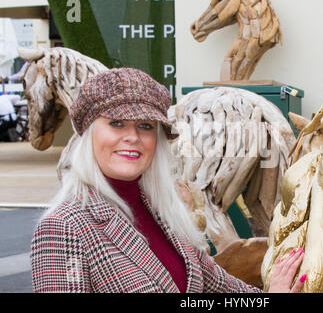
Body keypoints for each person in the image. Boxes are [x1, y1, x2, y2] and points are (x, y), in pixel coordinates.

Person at [30, 67, 306, 293]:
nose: (133, 136)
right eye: (116, 123)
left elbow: (219, 289)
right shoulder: (63, 228)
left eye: (146, 126)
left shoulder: (164, 212)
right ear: (89, 134)